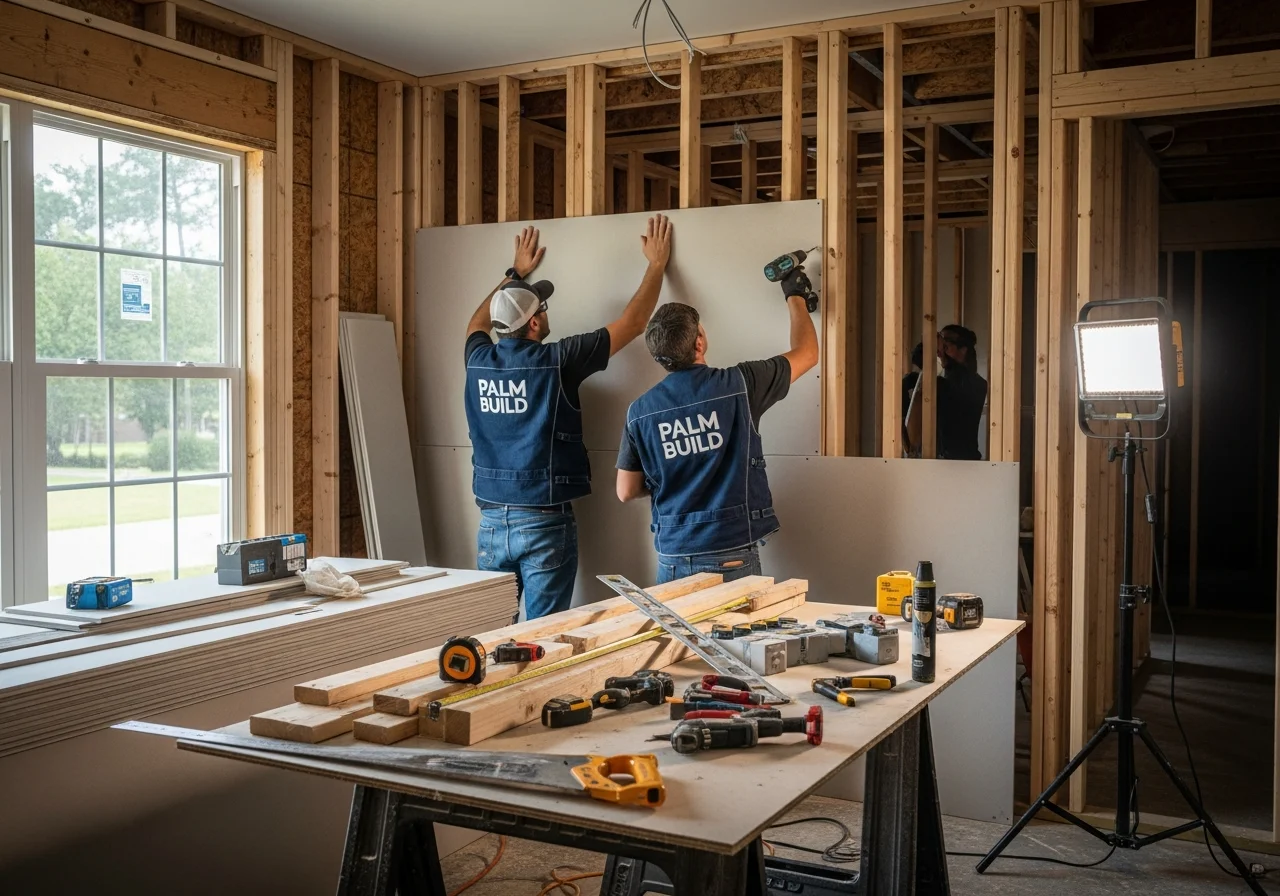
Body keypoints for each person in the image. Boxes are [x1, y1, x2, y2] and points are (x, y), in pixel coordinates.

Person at [464, 217, 674, 619]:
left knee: (491, 639)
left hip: (491, 522)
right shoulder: (558, 361)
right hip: (543, 522)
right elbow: (632, 324)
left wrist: (514, 275)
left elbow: (477, 322)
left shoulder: (477, 360)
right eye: (541, 307)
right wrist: (656, 265)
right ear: (536, 322)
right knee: (540, 640)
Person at [615, 269, 820, 583]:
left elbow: (626, 490)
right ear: (699, 342)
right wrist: (795, 295)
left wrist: (668, 477)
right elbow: (807, 354)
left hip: (673, 559)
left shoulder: (639, 412)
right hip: (732, 556)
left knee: (679, 635)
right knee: (737, 636)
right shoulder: (742, 384)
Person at [904, 324, 988, 460]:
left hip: (963, 464)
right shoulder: (943, 382)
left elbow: (954, 386)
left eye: (946, 343)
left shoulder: (975, 384)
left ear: (963, 350)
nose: (941, 349)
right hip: (941, 464)